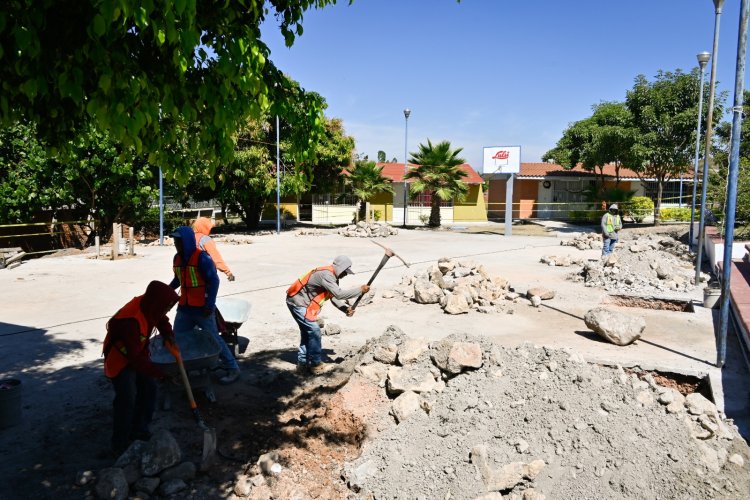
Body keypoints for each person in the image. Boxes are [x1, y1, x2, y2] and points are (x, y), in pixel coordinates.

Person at [103, 280, 179, 455]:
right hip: (120, 359)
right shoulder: (130, 320)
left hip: (136, 352)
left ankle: (140, 430)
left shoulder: (151, 305)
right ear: (158, 302)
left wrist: (168, 333)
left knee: (148, 390)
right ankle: (120, 444)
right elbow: (136, 359)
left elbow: (161, 318)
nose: (167, 310)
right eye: (166, 306)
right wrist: (161, 374)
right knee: (127, 399)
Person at [169, 226, 240, 385]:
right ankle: (183, 370)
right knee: (178, 339)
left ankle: (232, 368)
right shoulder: (177, 259)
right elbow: (177, 279)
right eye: (175, 242)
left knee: (214, 339)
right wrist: (167, 291)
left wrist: (210, 304)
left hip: (202, 309)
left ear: (187, 242)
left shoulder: (202, 258)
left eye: (179, 242)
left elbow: (214, 281)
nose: (176, 245)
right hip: (185, 309)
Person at [286, 255, 369, 375]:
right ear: (340, 268)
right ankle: (316, 365)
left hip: (299, 302)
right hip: (298, 302)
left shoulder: (332, 277)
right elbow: (339, 294)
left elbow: (333, 296)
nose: (346, 274)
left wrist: (345, 309)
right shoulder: (327, 275)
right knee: (314, 331)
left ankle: (302, 364)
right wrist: (359, 290)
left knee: (307, 332)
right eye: (345, 272)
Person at [193, 217, 235, 282]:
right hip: (204, 275)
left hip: (190, 274)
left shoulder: (190, 237)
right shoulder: (205, 239)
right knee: (214, 284)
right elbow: (216, 258)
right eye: (208, 228)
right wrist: (228, 272)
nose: (210, 230)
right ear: (204, 227)